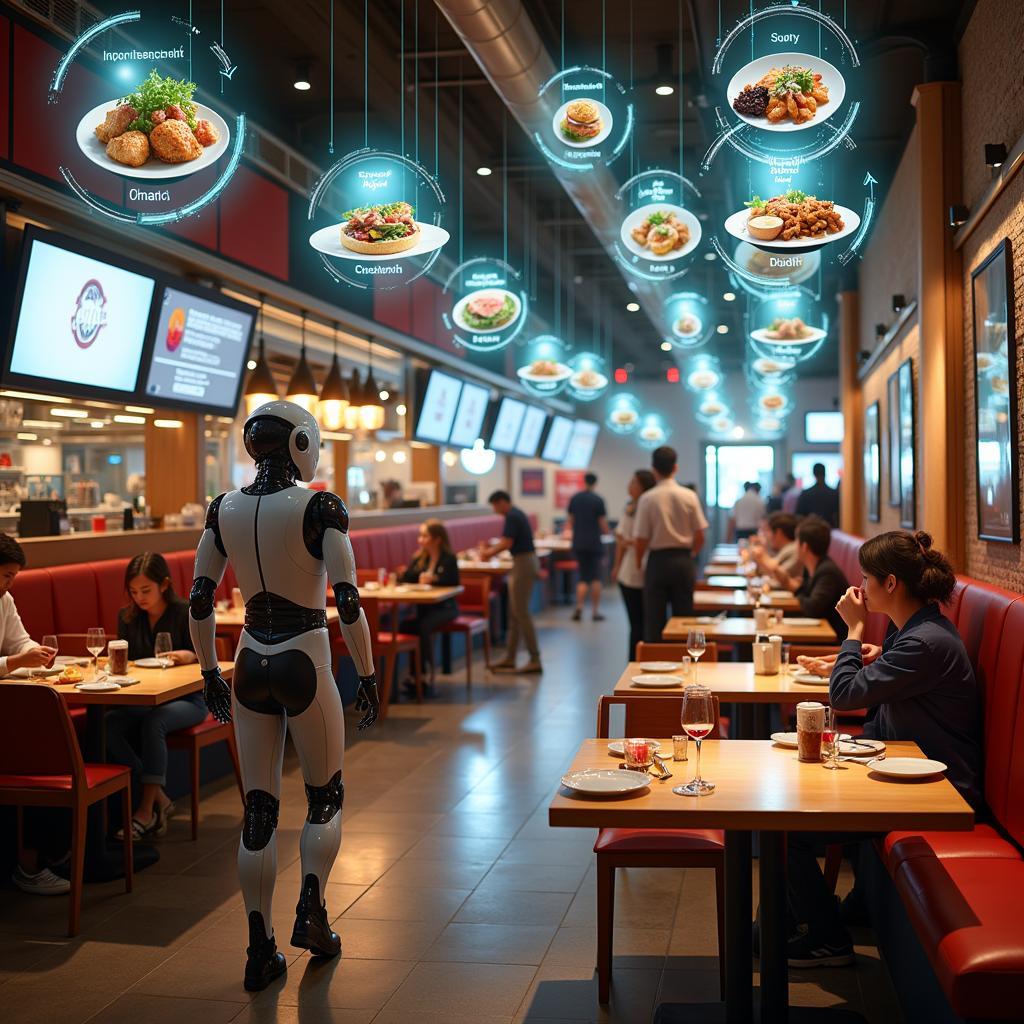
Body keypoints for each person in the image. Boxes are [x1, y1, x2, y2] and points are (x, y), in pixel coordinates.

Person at [190, 400, 380, 991]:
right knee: (325, 796)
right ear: (301, 443)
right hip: (306, 655)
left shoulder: (223, 508)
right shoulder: (321, 506)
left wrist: (209, 674)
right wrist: (368, 675)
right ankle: (312, 913)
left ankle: (258, 947)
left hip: (249, 658)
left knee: (260, 809)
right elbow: (347, 601)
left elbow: (198, 599)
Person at [780, 530, 981, 968]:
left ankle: (826, 939)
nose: (860, 587)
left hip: (941, 788)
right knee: (795, 806)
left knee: (786, 830)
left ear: (890, 583)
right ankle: (817, 914)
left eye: (866, 578)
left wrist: (852, 632)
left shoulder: (923, 642)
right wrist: (874, 655)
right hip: (912, 771)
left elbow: (845, 696)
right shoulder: (917, 630)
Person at [105, 553, 203, 840]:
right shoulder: (127, 617)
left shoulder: (186, 611)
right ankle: (159, 795)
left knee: (155, 723)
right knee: (108, 724)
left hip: (189, 699)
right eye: (133, 592)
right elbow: (129, 664)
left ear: (164, 584)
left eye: (145, 590)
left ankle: (146, 811)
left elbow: (209, 656)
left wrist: (190, 655)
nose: (139, 598)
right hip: (146, 698)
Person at [0, 534, 64, 896]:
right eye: (7, 575)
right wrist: (14, 662)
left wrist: (33, 651)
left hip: (9, 703)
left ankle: (45, 857)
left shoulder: (4, 599)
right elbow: (11, 657)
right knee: (45, 752)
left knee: (53, 749)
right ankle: (30, 864)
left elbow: (19, 640)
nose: (11, 583)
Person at [634, 446, 708, 643]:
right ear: (675, 467)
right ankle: (686, 663)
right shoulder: (688, 495)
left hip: (657, 561)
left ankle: (654, 666)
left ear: (653, 469)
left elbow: (640, 538)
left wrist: (639, 563)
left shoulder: (647, 498)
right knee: (684, 619)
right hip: (682, 560)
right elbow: (700, 535)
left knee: (654, 620)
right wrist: (691, 554)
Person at [481, 491, 541, 673]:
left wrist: (488, 553)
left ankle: (535, 658)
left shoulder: (512, 516)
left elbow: (507, 542)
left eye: (495, 505)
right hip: (523, 561)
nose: (495, 510)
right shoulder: (516, 514)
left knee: (521, 613)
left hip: (523, 563)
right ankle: (510, 658)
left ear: (502, 502)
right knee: (514, 614)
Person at [398, 520, 460, 693]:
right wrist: (403, 575)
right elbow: (408, 577)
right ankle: (414, 674)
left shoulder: (449, 558)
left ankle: (423, 676)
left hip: (446, 609)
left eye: (424, 536)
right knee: (406, 626)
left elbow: (454, 582)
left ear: (437, 539)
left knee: (423, 626)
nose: (420, 540)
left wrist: (435, 580)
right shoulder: (419, 557)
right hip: (425, 609)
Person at [771, 516, 849, 639]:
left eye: (796, 542)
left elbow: (812, 608)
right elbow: (807, 596)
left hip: (832, 642)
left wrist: (791, 585)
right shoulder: (813, 568)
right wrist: (792, 586)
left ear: (804, 546)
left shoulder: (827, 572)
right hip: (817, 634)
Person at [612, 469, 656, 660]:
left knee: (649, 622)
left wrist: (633, 542)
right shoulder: (628, 507)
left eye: (633, 483)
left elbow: (644, 539)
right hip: (628, 571)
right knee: (635, 622)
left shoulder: (650, 506)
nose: (629, 486)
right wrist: (616, 565)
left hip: (648, 567)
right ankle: (633, 660)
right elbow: (620, 538)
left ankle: (647, 658)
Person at [567, 472, 610, 622]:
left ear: (583, 481)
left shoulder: (575, 498)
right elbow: (603, 524)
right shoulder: (598, 500)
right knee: (596, 577)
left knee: (583, 577)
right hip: (594, 543)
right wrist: (608, 532)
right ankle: (595, 611)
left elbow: (571, 521)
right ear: (595, 483)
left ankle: (579, 607)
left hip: (578, 542)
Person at [750, 512, 800, 579]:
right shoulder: (785, 549)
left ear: (779, 533)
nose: (765, 535)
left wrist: (762, 555)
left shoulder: (792, 549)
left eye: (767, 530)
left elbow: (780, 578)